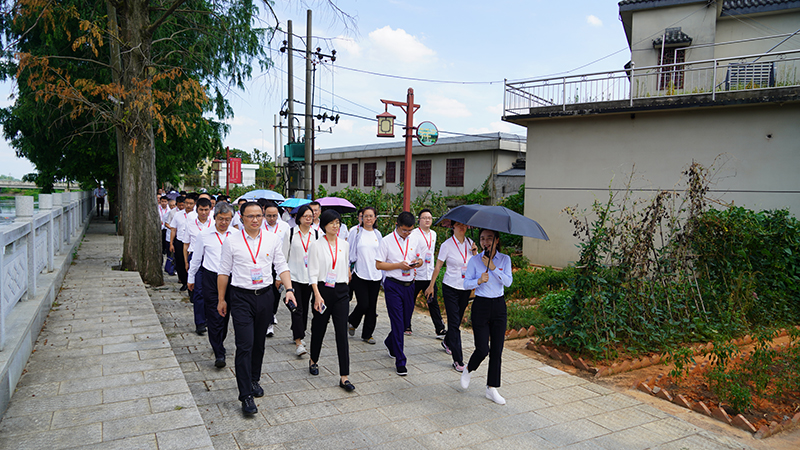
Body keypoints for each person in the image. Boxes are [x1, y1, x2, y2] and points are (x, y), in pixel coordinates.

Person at [216, 201, 296, 415]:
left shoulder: (272, 239)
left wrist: (289, 289)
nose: (255, 220)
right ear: (241, 217)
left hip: (265, 296)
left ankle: (254, 380)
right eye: (250, 216)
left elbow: (281, 265)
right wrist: (222, 299)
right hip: (240, 297)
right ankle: (245, 396)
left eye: (258, 216)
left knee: (259, 343)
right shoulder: (231, 241)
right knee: (245, 345)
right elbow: (223, 272)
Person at [460, 229, 513, 405]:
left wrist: (493, 268)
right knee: (483, 348)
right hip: (481, 305)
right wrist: (478, 281)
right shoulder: (474, 260)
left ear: (496, 240)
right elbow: (466, 283)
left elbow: (508, 282)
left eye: (489, 238)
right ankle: (469, 369)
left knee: (497, 350)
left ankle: (492, 388)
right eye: (482, 239)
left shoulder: (505, 259)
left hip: (498, 306)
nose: (485, 242)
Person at [307, 210, 355, 391]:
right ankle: (313, 360)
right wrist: (317, 295)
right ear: (324, 225)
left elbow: (345, 264)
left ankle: (344, 376)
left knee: (341, 332)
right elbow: (312, 272)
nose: (335, 226)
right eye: (332, 223)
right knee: (319, 327)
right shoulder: (316, 245)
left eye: (338, 222)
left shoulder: (344, 244)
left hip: (342, 290)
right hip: (323, 290)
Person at [376, 211, 424, 376]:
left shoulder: (415, 238)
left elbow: (421, 259)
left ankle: (390, 343)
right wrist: (398, 265)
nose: (407, 233)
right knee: (397, 322)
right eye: (404, 230)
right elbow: (379, 265)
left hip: (409, 285)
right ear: (397, 225)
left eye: (410, 230)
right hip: (393, 285)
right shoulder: (386, 241)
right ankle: (400, 360)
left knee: (405, 322)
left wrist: (416, 263)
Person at [426, 221, 478, 372]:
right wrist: (431, 285)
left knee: (458, 319)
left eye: (465, 225)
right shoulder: (446, 245)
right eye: (459, 225)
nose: (462, 227)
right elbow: (438, 266)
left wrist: (475, 252)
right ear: (452, 227)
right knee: (454, 324)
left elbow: (476, 264)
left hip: (465, 288)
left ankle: (448, 341)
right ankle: (458, 360)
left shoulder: (471, 243)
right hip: (450, 287)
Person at [187, 202, 234, 368]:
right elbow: (197, 258)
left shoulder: (235, 234)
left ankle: (219, 342)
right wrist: (191, 278)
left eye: (227, 219)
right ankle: (219, 352)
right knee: (214, 315)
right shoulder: (204, 235)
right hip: (210, 278)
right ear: (214, 218)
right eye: (221, 219)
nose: (224, 222)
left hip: (230, 279)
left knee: (225, 315)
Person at [282, 204, 319, 357]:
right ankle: (298, 342)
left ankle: (299, 332)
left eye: (311, 216)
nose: (309, 219)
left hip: (310, 277)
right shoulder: (290, 233)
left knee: (304, 310)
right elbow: (283, 256)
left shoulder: (316, 234)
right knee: (297, 309)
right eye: (306, 216)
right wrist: (280, 278)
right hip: (294, 276)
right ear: (299, 218)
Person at [408, 209, 446, 338]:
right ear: (419, 220)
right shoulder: (413, 234)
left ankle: (439, 329)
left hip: (429, 275)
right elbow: (410, 251)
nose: (427, 220)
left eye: (429, 217)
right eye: (424, 218)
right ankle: (406, 325)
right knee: (410, 301)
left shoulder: (433, 234)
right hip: (416, 274)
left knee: (433, 302)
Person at [347, 207, 382, 344]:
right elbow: (348, 252)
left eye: (371, 216)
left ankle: (367, 334)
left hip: (375, 274)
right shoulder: (355, 233)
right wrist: (348, 270)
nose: (368, 218)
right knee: (363, 304)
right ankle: (352, 320)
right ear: (361, 218)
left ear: (375, 218)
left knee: (372, 307)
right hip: (360, 273)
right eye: (365, 216)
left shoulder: (378, 234)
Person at [186, 197, 214, 335]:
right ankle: (200, 323)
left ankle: (210, 318)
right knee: (198, 292)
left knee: (210, 292)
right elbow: (186, 243)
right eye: (201, 209)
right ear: (197, 209)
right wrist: (187, 262)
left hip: (211, 258)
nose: (203, 212)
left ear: (210, 209)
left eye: (206, 210)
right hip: (195, 257)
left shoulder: (215, 224)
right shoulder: (190, 223)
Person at [263, 201, 290, 337]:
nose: (271, 219)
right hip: (263, 264)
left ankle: (272, 314)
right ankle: (268, 323)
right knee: (266, 293)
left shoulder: (284, 227)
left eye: (274, 216)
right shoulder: (259, 226)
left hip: (277, 264)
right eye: (268, 216)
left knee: (276, 293)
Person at [169, 195, 194, 291]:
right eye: (186, 203)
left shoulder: (196, 215)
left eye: (191, 203)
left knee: (191, 262)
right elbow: (173, 229)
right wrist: (171, 243)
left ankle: (192, 282)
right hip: (180, 241)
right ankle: (184, 282)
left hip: (192, 243)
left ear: (194, 204)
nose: (188, 205)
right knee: (180, 263)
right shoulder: (178, 215)